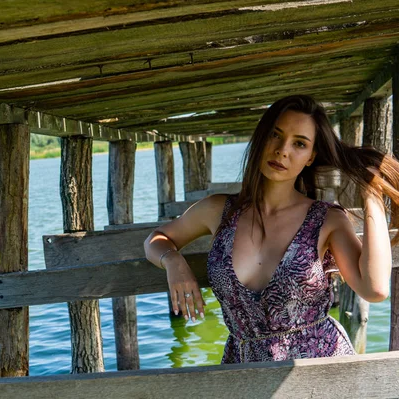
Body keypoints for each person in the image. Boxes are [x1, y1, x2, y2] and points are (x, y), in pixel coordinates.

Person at [144, 94, 399, 363]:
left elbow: (375, 289)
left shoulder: (326, 219)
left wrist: (372, 194)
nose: (282, 150)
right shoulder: (218, 211)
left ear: (310, 157)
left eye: (299, 143)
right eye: (275, 135)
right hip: (244, 371)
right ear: (261, 137)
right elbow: (157, 239)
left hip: (319, 370)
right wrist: (173, 261)